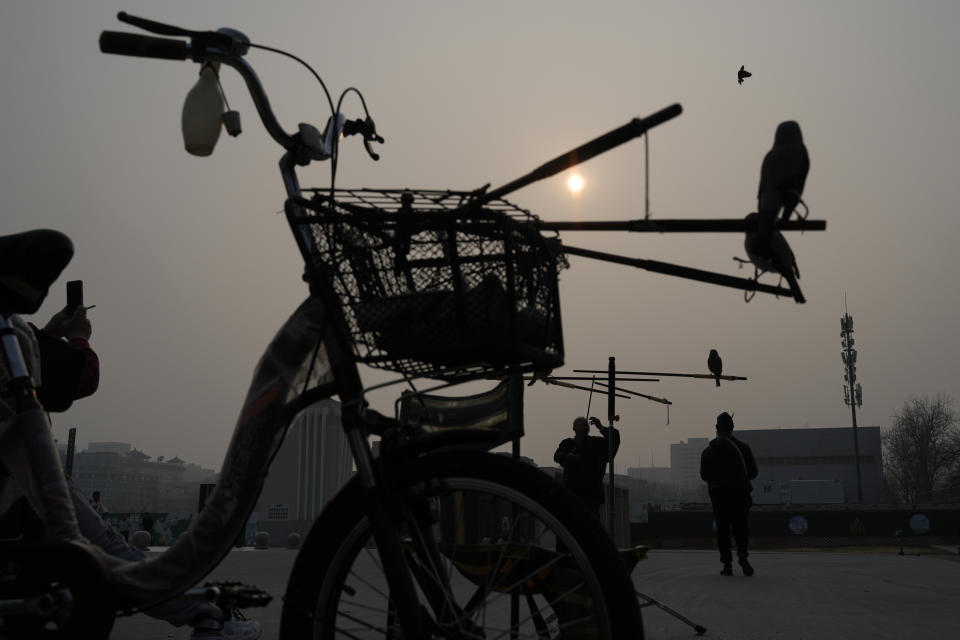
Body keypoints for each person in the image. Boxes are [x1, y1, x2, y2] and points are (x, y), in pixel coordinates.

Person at [24, 302, 261, 639]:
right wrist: (78, 340)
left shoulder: (17, 338)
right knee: (106, 553)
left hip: (23, 474)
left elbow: (35, 370)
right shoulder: (8, 332)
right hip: (25, 471)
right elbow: (81, 376)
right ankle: (209, 614)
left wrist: (46, 335)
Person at [700, 411, 758, 577]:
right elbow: (753, 472)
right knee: (741, 527)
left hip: (719, 498)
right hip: (740, 495)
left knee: (722, 531)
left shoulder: (707, 452)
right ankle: (742, 555)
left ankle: (727, 565)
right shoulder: (743, 448)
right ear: (732, 428)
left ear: (717, 428)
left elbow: (704, 475)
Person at [554, 416, 620, 518]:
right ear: (574, 428)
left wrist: (601, 427)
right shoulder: (568, 444)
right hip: (572, 494)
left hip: (592, 496)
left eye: (585, 423)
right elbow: (557, 456)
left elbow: (614, 440)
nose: (584, 423)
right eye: (580, 422)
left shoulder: (597, 443)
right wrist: (567, 456)